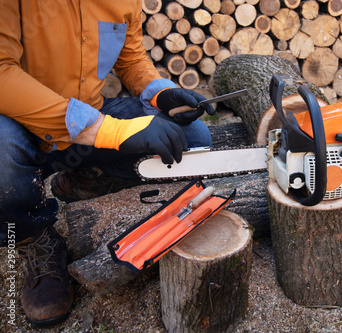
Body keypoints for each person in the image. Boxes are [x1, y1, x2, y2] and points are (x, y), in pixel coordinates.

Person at [0, 0, 215, 327]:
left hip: (89, 125)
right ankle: (35, 239)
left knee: (194, 137)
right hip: (22, 129)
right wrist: (112, 131)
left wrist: (160, 93)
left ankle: (87, 179)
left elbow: (131, 59)